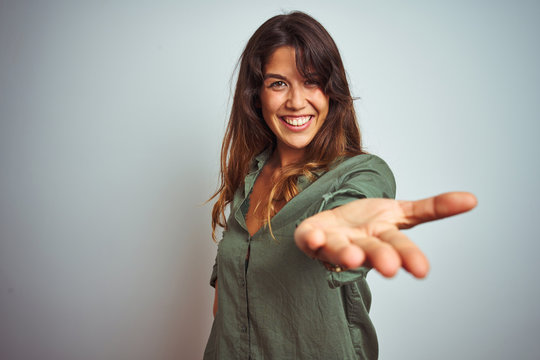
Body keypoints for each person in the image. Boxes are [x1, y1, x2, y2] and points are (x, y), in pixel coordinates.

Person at [204, 11, 476, 360]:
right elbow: (223, 308)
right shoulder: (249, 177)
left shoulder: (362, 172)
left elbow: (352, 207)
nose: (296, 101)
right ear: (256, 96)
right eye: (278, 83)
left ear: (332, 91)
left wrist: (336, 229)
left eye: (312, 81)